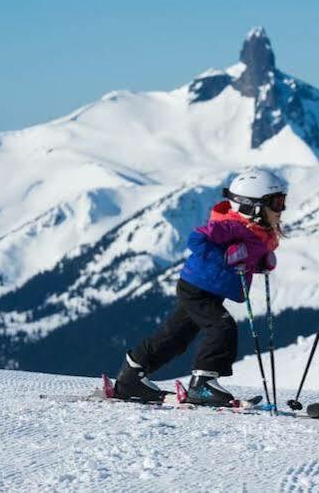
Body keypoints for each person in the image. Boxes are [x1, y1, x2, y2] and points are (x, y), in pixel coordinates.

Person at [113, 168, 287, 407]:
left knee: (176, 337)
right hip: (196, 288)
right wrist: (224, 256)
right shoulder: (232, 227)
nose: (282, 208)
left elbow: (243, 257)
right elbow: (197, 239)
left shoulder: (255, 231)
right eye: (276, 203)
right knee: (222, 327)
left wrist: (258, 264)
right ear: (252, 206)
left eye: (282, 201)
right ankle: (202, 384)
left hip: (208, 290)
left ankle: (131, 376)